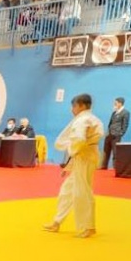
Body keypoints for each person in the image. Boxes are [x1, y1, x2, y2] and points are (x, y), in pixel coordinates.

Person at [45, 93, 102, 238]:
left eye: (74, 106)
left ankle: (87, 227)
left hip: (84, 157)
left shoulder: (83, 120)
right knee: (67, 191)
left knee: (82, 192)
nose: (72, 109)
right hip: (83, 157)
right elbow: (80, 143)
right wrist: (69, 165)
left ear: (82, 105)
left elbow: (79, 140)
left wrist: (71, 149)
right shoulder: (92, 119)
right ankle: (57, 221)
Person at [101, 96, 129, 170]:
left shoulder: (125, 112)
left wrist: (120, 134)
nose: (114, 104)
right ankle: (104, 166)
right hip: (109, 134)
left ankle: (115, 168)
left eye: (115, 103)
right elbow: (110, 123)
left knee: (115, 152)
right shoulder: (114, 112)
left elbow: (125, 125)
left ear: (120, 103)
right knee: (105, 151)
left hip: (116, 136)